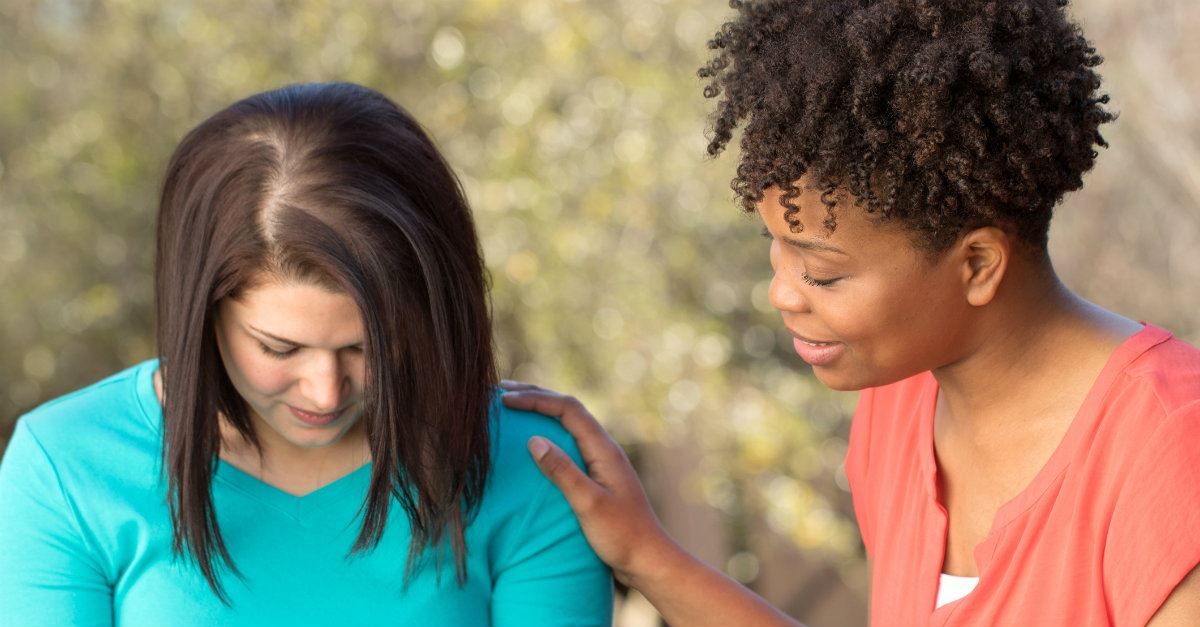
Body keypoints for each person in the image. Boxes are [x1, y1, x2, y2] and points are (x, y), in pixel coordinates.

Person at [501, 1, 1200, 626]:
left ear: (978, 264)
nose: (781, 292)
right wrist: (645, 552)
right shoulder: (900, 402)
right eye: (772, 245)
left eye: (823, 272)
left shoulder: (1170, 453)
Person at [0, 82, 612, 626]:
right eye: (279, 347)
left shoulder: (529, 463)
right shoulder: (69, 467)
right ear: (203, 313)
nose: (326, 391)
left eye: (369, 347)